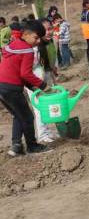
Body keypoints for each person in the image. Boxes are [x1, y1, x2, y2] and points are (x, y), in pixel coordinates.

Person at [0, 20, 52, 156]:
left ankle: (16, 146)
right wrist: (43, 85)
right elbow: (26, 74)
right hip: (12, 88)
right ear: (26, 34)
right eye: (36, 38)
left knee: (18, 115)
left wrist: (33, 88)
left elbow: (19, 73)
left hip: (2, 86)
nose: (38, 41)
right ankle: (32, 146)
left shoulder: (14, 45)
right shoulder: (28, 50)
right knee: (28, 117)